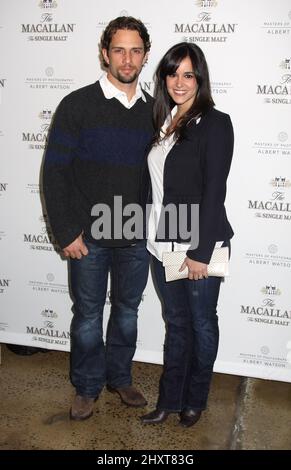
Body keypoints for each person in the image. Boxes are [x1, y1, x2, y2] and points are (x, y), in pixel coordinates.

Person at [43, 16, 154, 421]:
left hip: (135, 235)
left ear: (145, 55)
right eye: (119, 50)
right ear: (104, 54)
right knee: (88, 315)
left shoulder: (155, 110)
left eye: (136, 50)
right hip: (87, 236)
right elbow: (54, 172)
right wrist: (66, 230)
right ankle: (87, 387)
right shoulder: (76, 105)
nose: (128, 58)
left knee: (127, 311)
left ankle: (119, 377)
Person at [140, 42, 234, 427]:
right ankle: (169, 400)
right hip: (159, 243)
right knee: (176, 323)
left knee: (201, 322)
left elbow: (215, 191)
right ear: (164, 77)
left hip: (195, 244)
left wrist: (200, 251)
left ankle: (195, 400)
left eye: (188, 74)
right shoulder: (162, 119)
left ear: (200, 78)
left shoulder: (215, 122)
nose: (179, 82)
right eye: (173, 73)